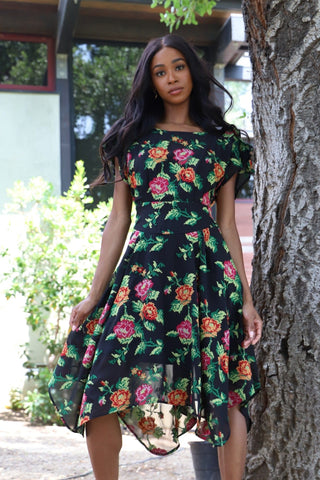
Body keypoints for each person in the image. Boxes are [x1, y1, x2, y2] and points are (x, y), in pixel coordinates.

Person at [49, 34, 262, 480]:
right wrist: (94, 296)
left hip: (206, 276)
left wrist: (245, 299)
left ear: (193, 70)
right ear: (150, 82)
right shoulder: (131, 140)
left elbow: (226, 226)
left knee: (226, 392)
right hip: (142, 275)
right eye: (159, 72)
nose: (171, 79)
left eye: (178, 67)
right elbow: (117, 221)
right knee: (103, 385)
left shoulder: (224, 143)